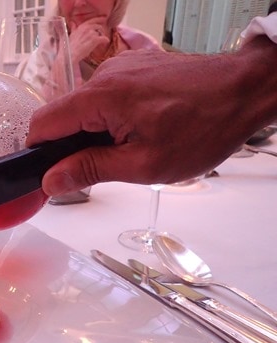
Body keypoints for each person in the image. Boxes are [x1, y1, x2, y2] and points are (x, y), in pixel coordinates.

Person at [26, 13, 277, 198]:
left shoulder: (141, 45)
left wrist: (242, 86)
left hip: (135, 192)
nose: (80, 1)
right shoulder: (45, 51)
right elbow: (29, 122)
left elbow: (169, 122)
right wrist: (66, 59)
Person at [19, 0, 161, 99]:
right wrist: (67, 58)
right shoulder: (42, 58)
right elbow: (32, 121)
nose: (79, 3)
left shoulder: (145, 47)